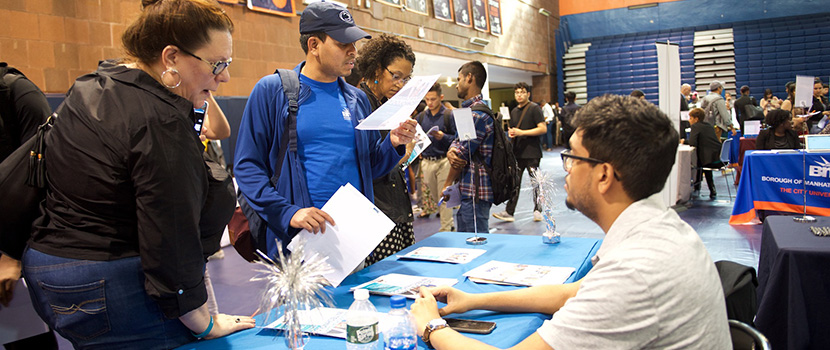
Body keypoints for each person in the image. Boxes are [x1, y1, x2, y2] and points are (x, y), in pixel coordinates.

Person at [21, 1, 256, 349]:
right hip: (110, 280)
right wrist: (203, 322)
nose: (225, 76)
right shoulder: (160, 120)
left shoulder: (92, 85)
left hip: (49, 273)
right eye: (217, 64)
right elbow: (169, 236)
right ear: (171, 57)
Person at [412, 95, 730, 349]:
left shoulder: (635, 272)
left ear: (603, 175)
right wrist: (472, 300)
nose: (566, 168)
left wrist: (432, 327)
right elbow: (571, 294)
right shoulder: (655, 228)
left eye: (573, 157)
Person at [233, 1, 416, 259]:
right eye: (343, 44)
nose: (354, 51)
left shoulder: (357, 100)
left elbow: (370, 166)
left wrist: (393, 143)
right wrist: (288, 212)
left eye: (354, 43)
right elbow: (247, 166)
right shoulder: (273, 91)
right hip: (299, 243)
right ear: (314, 45)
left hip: (353, 241)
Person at [0, 63, 57, 350]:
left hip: (15, 247)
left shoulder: (17, 93)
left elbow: (45, 180)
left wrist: (11, 254)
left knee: (24, 338)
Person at [354, 33, 416, 265]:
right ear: (377, 69)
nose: (400, 85)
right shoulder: (359, 103)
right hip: (378, 209)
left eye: (406, 79)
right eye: (396, 76)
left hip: (394, 204)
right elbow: (368, 162)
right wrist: (401, 147)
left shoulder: (386, 106)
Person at [443, 61, 494, 233]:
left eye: (459, 79)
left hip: (475, 192)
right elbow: (457, 144)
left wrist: (447, 184)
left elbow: (461, 156)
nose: (457, 85)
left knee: (476, 243)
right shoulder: (471, 112)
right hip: (468, 191)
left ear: (469, 78)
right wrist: (451, 150)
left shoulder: (476, 115)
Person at [493, 82, 546, 223]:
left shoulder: (535, 108)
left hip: (532, 152)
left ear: (528, 94)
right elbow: (516, 129)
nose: (519, 95)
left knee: (536, 182)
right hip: (517, 153)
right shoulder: (514, 111)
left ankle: (538, 210)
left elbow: (542, 128)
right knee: (514, 183)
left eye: (522, 92)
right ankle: (510, 211)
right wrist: (513, 133)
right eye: (517, 92)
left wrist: (522, 132)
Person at [416, 83, 457, 231]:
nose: (430, 103)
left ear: (441, 97)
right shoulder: (421, 117)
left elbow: (457, 139)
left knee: (443, 195)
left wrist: (443, 137)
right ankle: (449, 221)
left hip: (444, 161)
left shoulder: (449, 115)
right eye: (427, 99)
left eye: (433, 99)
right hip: (427, 161)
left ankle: (445, 228)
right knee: (435, 196)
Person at [683, 108, 722, 200]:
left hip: (708, 160)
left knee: (698, 162)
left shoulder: (695, 127)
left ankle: (697, 186)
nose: (689, 120)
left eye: (690, 118)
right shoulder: (708, 125)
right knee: (701, 159)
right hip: (718, 157)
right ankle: (709, 188)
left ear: (696, 119)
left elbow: (693, 143)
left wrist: (684, 141)